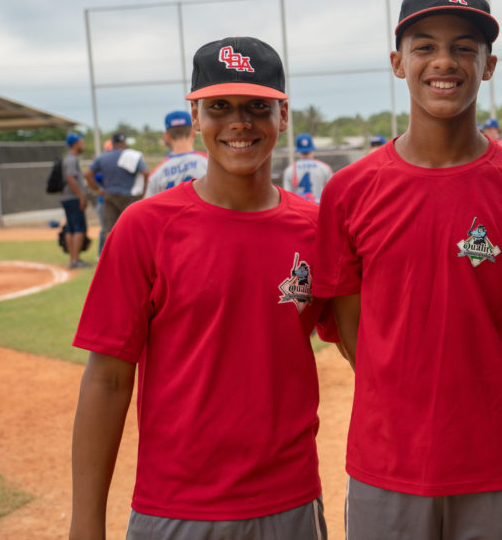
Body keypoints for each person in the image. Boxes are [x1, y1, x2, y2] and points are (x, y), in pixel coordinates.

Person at [314, 0, 502, 540]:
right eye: (426, 47)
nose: (445, 61)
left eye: (465, 47)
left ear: (488, 65)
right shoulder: (348, 192)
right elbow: (351, 331)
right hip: (387, 469)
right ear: (398, 63)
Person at [70, 36, 329, 540]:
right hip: (174, 506)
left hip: (290, 502)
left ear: (284, 116)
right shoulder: (145, 228)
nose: (239, 122)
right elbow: (106, 381)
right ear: (195, 118)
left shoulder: (318, 228)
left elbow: (371, 347)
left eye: (258, 105)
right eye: (219, 107)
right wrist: (85, 525)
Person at [84, 132, 149, 252]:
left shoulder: (103, 157)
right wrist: (143, 191)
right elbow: (145, 172)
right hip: (130, 197)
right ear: (124, 143)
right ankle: (132, 256)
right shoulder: (132, 156)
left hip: (110, 195)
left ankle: (112, 256)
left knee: (110, 229)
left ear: (112, 143)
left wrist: (98, 190)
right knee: (132, 229)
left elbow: (87, 174)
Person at [145, 109, 208, 196]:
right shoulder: (208, 162)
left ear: (166, 136)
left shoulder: (157, 173)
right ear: (193, 132)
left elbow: (149, 205)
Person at [60, 132, 90, 269]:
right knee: (78, 228)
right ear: (75, 143)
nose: (83, 144)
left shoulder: (69, 158)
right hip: (73, 198)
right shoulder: (71, 159)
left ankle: (73, 259)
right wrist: (81, 196)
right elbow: (70, 178)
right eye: (81, 141)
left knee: (71, 228)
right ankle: (75, 259)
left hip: (68, 197)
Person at [282, 133, 333, 203]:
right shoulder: (325, 168)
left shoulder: (289, 170)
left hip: (299, 210)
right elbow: (332, 193)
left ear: (298, 150)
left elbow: (286, 197)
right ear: (312, 149)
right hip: (319, 209)